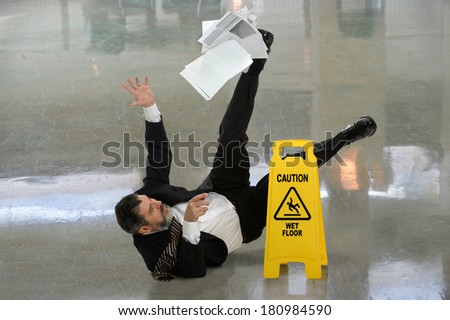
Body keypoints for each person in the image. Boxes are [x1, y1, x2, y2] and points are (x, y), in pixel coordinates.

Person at [115, 30, 377, 281]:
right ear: (145, 229)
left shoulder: (153, 195)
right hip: (247, 218)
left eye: (150, 199)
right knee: (289, 170)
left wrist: (150, 108)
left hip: (221, 188)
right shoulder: (155, 255)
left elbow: (158, 154)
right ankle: (346, 136)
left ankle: (256, 62)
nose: (157, 202)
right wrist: (191, 224)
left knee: (230, 134)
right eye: (151, 209)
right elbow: (195, 269)